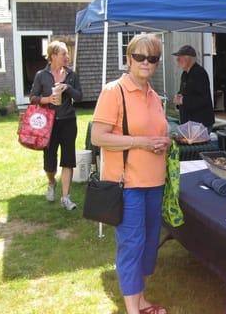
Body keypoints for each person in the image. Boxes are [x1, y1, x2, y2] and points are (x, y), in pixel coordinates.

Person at [91, 34, 170, 314]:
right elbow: (98, 137)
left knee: (149, 245)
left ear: (157, 63)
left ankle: (141, 299)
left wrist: (165, 142)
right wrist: (141, 142)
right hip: (128, 184)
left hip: (155, 183)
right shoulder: (114, 91)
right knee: (132, 245)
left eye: (152, 58)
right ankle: (133, 309)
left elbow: (160, 132)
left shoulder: (154, 95)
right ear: (128, 58)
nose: (145, 62)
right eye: (139, 56)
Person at [29, 41, 82, 210]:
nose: (67, 57)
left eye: (67, 54)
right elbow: (33, 97)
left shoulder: (72, 75)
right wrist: (47, 99)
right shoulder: (41, 75)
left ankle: (66, 197)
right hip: (49, 123)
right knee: (50, 160)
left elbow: (79, 96)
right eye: (63, 54)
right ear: (53, 56)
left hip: (68, 122)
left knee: (68, 160)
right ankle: (51, 182)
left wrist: (67, 87)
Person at [172, 44, 215, 130]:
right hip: (188, 122)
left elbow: (203, 99)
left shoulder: (199, 73)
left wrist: (183, 100)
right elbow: (185, 93)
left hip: (200, 123)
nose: (177, 60)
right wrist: (178, 98)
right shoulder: (185, 74)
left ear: (188, 59)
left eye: (179, 57)